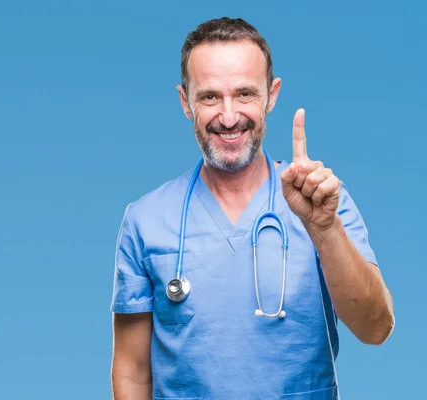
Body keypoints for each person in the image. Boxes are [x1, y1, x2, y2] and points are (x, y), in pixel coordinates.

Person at [109, 17, 395, 399]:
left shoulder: (322, 200)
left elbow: (375, 328)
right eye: (210, 97)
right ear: (185, 102)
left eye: (245, 94)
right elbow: (132, 370)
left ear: (271, 95)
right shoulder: (145, 220)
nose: (229, 117)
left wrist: (324, 228)